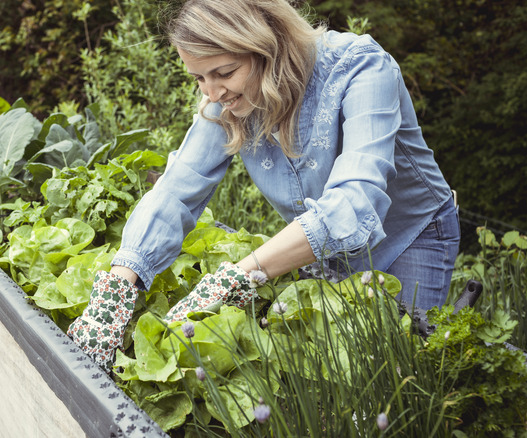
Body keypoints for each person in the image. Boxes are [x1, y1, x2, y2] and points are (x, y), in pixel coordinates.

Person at [68, 0, 461, 368]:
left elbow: (356, 200)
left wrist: (239, 275)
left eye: (224, 73)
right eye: (199, 78)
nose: (213, 93)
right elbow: (176, 190)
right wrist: (119, 284)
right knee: (336, 370)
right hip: (324, 246)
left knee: (398, 371)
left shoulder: (361, 68)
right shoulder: (225, 100)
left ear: (269, 47)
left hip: (410, 236)